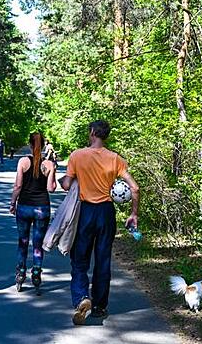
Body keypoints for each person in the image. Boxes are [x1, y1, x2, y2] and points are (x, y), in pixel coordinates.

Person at [61, 120, 139, 325]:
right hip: (106, 212)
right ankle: (99, 307)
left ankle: (81, 297)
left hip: (85, 212)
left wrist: (65, 180)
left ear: (93, 132)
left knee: (80, 259)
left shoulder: (77, 156)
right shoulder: (114, 158)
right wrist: (133, 214)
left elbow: (67, 185)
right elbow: (135, 188)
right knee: (103, 260)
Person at [10, 132, 57, 291]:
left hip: (24, 206)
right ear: (44, 145)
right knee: (38, 243)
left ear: (30, 144)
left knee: (23, 241)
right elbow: (50, 188)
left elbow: (18, 186)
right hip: (42, 208)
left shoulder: (23, 161)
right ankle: (36, 272)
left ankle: (21, 271)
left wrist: (12, 203)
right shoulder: (49, 164)